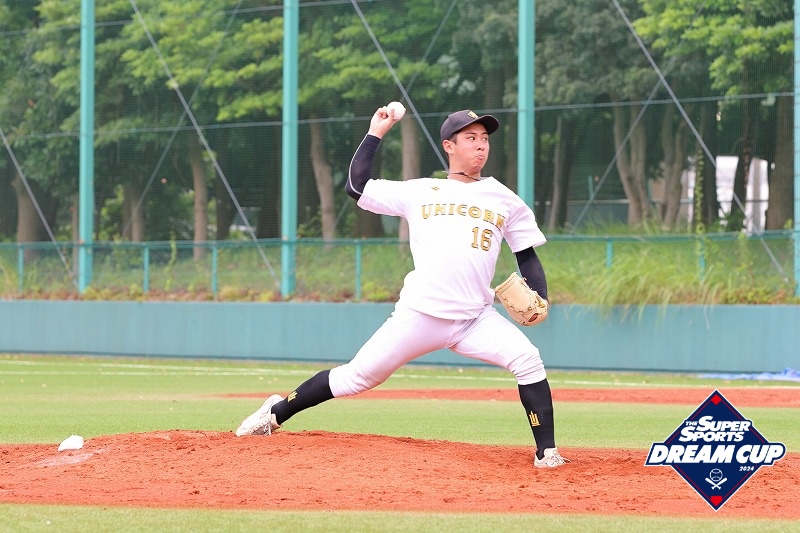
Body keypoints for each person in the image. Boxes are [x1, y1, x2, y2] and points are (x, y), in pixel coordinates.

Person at [235, 106, 569, 468]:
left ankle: (546, 452)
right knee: (357, 377)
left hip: (475, 317)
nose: (480, 146)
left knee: (527, 359)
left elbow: (526, 254)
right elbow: (357, 186)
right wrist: (376, 132)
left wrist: (541, 294)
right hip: (421, 314)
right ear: (449, 146)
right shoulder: (421, 191)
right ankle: (275, 412)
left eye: (485, 139)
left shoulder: (504, 199)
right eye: (470, 138)